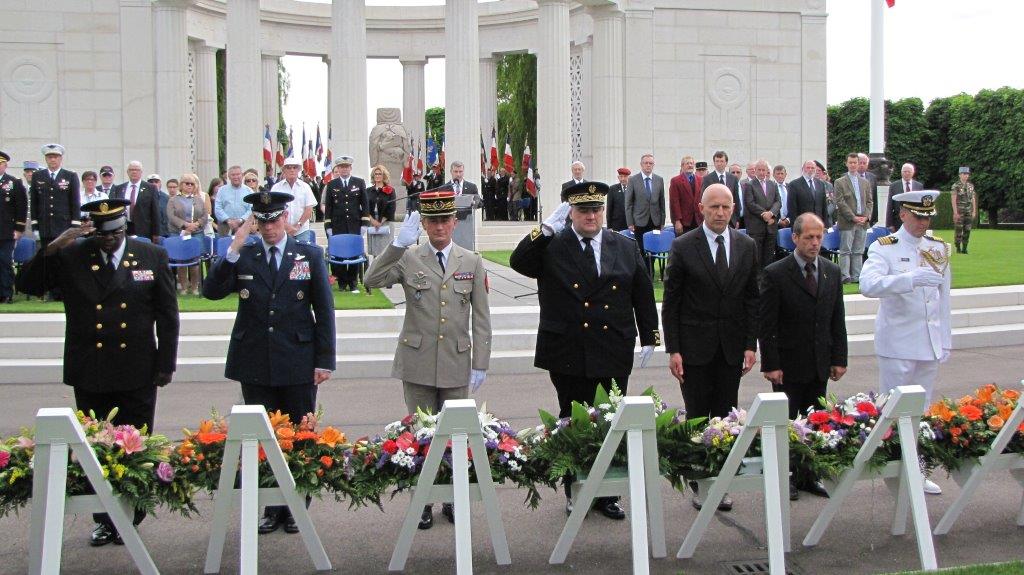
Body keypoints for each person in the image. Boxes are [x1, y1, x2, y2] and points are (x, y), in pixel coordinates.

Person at [16, 197, 178, 546]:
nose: (109, 240)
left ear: (125, 228)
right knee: (96, 448)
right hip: (91, 367)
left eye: (115, 233)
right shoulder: (73, 255)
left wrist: (166, 363)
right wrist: (54, 246)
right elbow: (28, 286)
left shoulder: (151, 256)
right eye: (102, 235)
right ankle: (104, 519)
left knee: (134, 446)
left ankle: (132, 514)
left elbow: (167, 314)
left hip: (137, 367)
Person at [510, 182, 659, 521]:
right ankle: (576, 489)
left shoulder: (624, 245)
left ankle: (608, 494)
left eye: (596, 210)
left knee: (610, 420)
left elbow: (642, 291)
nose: (591, 216)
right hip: (568, 349)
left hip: (612, 346)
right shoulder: (553, 244)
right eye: (583, 210)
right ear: (571, 213)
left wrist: (650, 334)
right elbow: (519, 262)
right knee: (574, 421)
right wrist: (543, 230)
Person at [202, 190, 336, 534]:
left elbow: (324, 310)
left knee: (299, 435)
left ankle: (296, 506)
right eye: (262, 222)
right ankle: (271, 507)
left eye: (274, 220)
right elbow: (211, 291)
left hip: (297, 359)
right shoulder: (244, 255)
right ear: (255, 223)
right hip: (256, 359)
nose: (269, 228)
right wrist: (234, 247)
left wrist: (324, 360)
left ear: (285, 218)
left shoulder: (308, 254)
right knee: (262, 438)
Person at [364, 188, 491, 529]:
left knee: (454, 437)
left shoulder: (471, 261)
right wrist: (396, 245)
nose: (439, 227)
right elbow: (371, 279)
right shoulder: (409, 257)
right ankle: (422, 501)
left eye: (445, 219)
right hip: (417, 360)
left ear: (455, 222)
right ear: (423, 224)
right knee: (420, 436)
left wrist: (480, 361)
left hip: (456, 360)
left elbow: (481, 318)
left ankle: (452, 497)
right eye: (432, 220)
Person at [661, 184, 759, 512]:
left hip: (731, 348)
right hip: (694, 349)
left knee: (726, 416)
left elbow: (751, 299)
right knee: (699, 417)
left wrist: (750, 344)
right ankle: (701, 481)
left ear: (733, 209)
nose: (720, 212)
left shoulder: (746, 245)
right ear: (701, 208)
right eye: (714, 206)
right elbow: (671, 303)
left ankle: (722, 480)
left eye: (725, 207)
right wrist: (674, 349)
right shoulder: (684, 246)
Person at [860, 189, 950, 495]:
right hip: (898, 342)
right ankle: (891, 468)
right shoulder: (885, 247)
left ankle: (917, 469)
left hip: (928, 342)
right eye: (917, 217)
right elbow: (868, 285)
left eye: (927, 217)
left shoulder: (938, 248)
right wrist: (909, 279)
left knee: (920, 411)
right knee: (893, 410)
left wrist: (945, 339)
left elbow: (943, 299)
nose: (923, 223)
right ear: (903, 215)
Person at [759, 213, 847, 499]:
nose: (815, 243)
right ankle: (784, 475)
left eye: (819, 237)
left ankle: (808, 474)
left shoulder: (831, 272)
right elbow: (767, 324)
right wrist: (771, 364)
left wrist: (839, 358)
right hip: (788, 364)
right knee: (787, 423)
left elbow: (837, 319)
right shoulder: (776, 273)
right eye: (809, 237)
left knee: (815, 420)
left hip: (819, 362)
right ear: (795, 237)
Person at [30, 144, 81, 301]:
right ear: (46, 159)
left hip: (64, 227)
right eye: (50, 157)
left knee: (65, 259)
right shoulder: (38, 176)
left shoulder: (70, 176)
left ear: (60, 158)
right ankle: (51, 292)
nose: (53, 160)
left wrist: (75, 227)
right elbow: (34, 203)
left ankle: (65, 291)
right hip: (46, 226)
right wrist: (35, 225)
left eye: (56, 157)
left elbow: (75, 202)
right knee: (49, 261)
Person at [322, 156, 368, 292]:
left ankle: (353, 282)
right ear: (338, 168)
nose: (344, 169)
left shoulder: (359, 182)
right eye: (341, 167)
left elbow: (365, 204)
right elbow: (329, 207)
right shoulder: (332, 184)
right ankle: (342, 282)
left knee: (354, 253)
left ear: (350, 168)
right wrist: (328, 225)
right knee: (338, 253)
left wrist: (364, 223)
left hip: (354, 224)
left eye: (346, 167)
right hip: (338, 225)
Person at [833, 153, 873, 283]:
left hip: (863, 222)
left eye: (855, 162)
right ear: (846, 164)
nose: (853, 165)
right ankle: (845, 276)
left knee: (858, 251)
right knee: (845, 250)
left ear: (858, 164)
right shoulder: (839, 182)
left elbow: (869, 202)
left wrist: (866, 217)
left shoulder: (865, 182)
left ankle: (857, 276)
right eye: (850, 162)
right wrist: (853, 217)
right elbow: (840, 202)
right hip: (847, 221)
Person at [167, 174, 209, 295]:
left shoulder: (199, 200)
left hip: (196, 233)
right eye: (187, 183)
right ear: (181, 185)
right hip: (178, 232)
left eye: (192, 184)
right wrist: (185, 225)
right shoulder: (173, 200)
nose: (189, 186)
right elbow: (171, 216)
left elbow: (205, 216)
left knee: (195, 261)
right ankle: (184, 287)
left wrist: (196, 225)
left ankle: (195, 287)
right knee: (181, 260)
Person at [624, 154, 666, 269]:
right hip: (639, 222)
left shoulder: (659, 180)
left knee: (653, 250)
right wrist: (630, 222)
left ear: (653, 165)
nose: (648, 165)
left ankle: (650, 272)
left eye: (650, 163)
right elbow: (628, 203)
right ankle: (643, 272)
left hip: (655, 221)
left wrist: (662, 221)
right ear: (641, 164)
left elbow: (662, 202)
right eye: (646, 163)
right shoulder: (633, 180)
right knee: (641, 250)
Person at [742, 159, 781, 270]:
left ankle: (767, 277)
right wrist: (764, 214)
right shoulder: (749, 185)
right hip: (756, 227)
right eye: (759, 170)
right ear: (755, 171)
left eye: (764, 170)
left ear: (767, 171)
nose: (761, 172)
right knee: (757, 257)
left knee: (769, 257)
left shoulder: (773, 184)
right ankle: (757, 278)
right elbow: (750, 203)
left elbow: (778, 202)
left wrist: (771, 213)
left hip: (771, 226)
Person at [0, 151, 28, 304]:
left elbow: (21, 207)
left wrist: (19, 229)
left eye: (0, 164)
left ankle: (6, 293)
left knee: (4, 262)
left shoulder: (14, 182)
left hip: (6, 231)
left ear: (5, 165)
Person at [110, 161, 160, 243]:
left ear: (141, 172)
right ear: (127, 172)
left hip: (143, 230)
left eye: (137, 170)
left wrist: (156, 233)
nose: (134, 172)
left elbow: (155, 212)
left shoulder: (151, 188)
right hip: (123, 229)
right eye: (131, 170)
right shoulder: (119, 188)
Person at [271, 158, 317, 242]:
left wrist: (297, 226)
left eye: (295, 167)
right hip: (281, 229)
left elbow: (309, 209)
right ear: (283, 170)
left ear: (299, 170)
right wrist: (285, 225)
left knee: (303, 250)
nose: (292, 170)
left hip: (302, 230)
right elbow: (273, 209)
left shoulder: (305, 187)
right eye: (288, 167)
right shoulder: (276, 188)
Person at [702, 151, 741, 228]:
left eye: (722, 161)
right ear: (714, 163)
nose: (719, 164)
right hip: (714, 217)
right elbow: (704, 199)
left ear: (726, 163)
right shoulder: (707, 179)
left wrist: (737, 219)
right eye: (717, 161)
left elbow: (736, 200)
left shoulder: (733, 178)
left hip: (731, 219)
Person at [365, 164, 397, 258]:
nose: (377, 176)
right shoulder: (368, 191)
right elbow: (365, 207)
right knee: (375, 252)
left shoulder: (390, 190)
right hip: (372, 223)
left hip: (385, 223)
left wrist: (380, 222)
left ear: (384, 176)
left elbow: (391, 208)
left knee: (386, 252)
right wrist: (373, 221)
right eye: (376, 174)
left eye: (380, 174)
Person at [787, 160, 830, 227]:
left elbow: (824, 207)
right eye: (808, 167)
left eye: (812, 168)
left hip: (818, 224)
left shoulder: (820, 184)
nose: (810, 170)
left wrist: (825, 225)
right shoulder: (794, 185)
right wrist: (795, 227)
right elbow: (792, 208)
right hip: (803, 225)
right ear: (803, 169)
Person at [669, 155, 703, 235]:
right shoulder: (676, 181)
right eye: (687, 163)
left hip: (698, 221)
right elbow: (674, 202)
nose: (690, 165)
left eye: (691, 163)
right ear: (682, 166)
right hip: (684, 222)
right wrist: (677, 221)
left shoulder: (700, 180)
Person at [214, 166, 252, 236]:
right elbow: (218, 208)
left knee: (244, 243)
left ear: (242, 175)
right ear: (228, 176)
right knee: (224, 243)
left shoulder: (249, 191)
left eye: (238, 174)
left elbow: (251, 209)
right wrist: (228, 220)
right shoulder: (222, 190)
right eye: (233, 175)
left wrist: (240, 220)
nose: (236, 177)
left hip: (243, 226)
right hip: (225, 227)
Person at [886, 163, 923, 232]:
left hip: (915, 221)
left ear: (913, 173)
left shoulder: (919, 186)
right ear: (901, 172)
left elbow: (921, 206)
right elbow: (890, 206)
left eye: (909, 172)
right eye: (905, 171)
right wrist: (889, 224)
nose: (907, 173)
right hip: (898, 222)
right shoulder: (894, 186)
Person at [951, 166, 976, 254]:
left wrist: (974, 211)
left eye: (967, 174)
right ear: (960, 175)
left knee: (967, 230)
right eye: (964, 174)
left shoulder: (970, 186)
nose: (966, 176)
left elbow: (973, 199)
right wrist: (955, 213)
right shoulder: (956, 186)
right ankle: (958, 247)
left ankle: (965, 248)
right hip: (959, 211)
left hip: (968, 211)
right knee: (958, 230)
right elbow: (953, 199)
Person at [605, 167, 630, 232]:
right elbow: (609, 208)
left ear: (629, 177)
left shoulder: (633, 188)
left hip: (630, 225)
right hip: (616, 225)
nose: (623, 179)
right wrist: (609, 226)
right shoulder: (612, 189)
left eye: (625, 177)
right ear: (618, 177)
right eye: (621, 177)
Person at [858, 153, 879, 224]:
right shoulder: (847, 177)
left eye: (864, 163)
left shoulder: (872, 177)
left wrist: (875, 218)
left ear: (867, 165)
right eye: (860, 163)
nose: (862, 165)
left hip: (868, 217)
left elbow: (874, 198)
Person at [147, 174, 171, 238]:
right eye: (151, 182)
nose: (154, 184)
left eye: (156, 182)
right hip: (148, 232)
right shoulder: (143, 196)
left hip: (164, 232)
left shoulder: (166, 198)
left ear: (160, 183)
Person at [773, 165, 792, 230]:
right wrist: (778, 220)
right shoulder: (770, 187)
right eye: (778, 174)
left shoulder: (790, 187)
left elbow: (793, 205)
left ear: (785, 174)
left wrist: (788, 219)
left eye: (782, 173)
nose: (780, 176)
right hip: (774, 223)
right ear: (773, 175)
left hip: (789, 222)